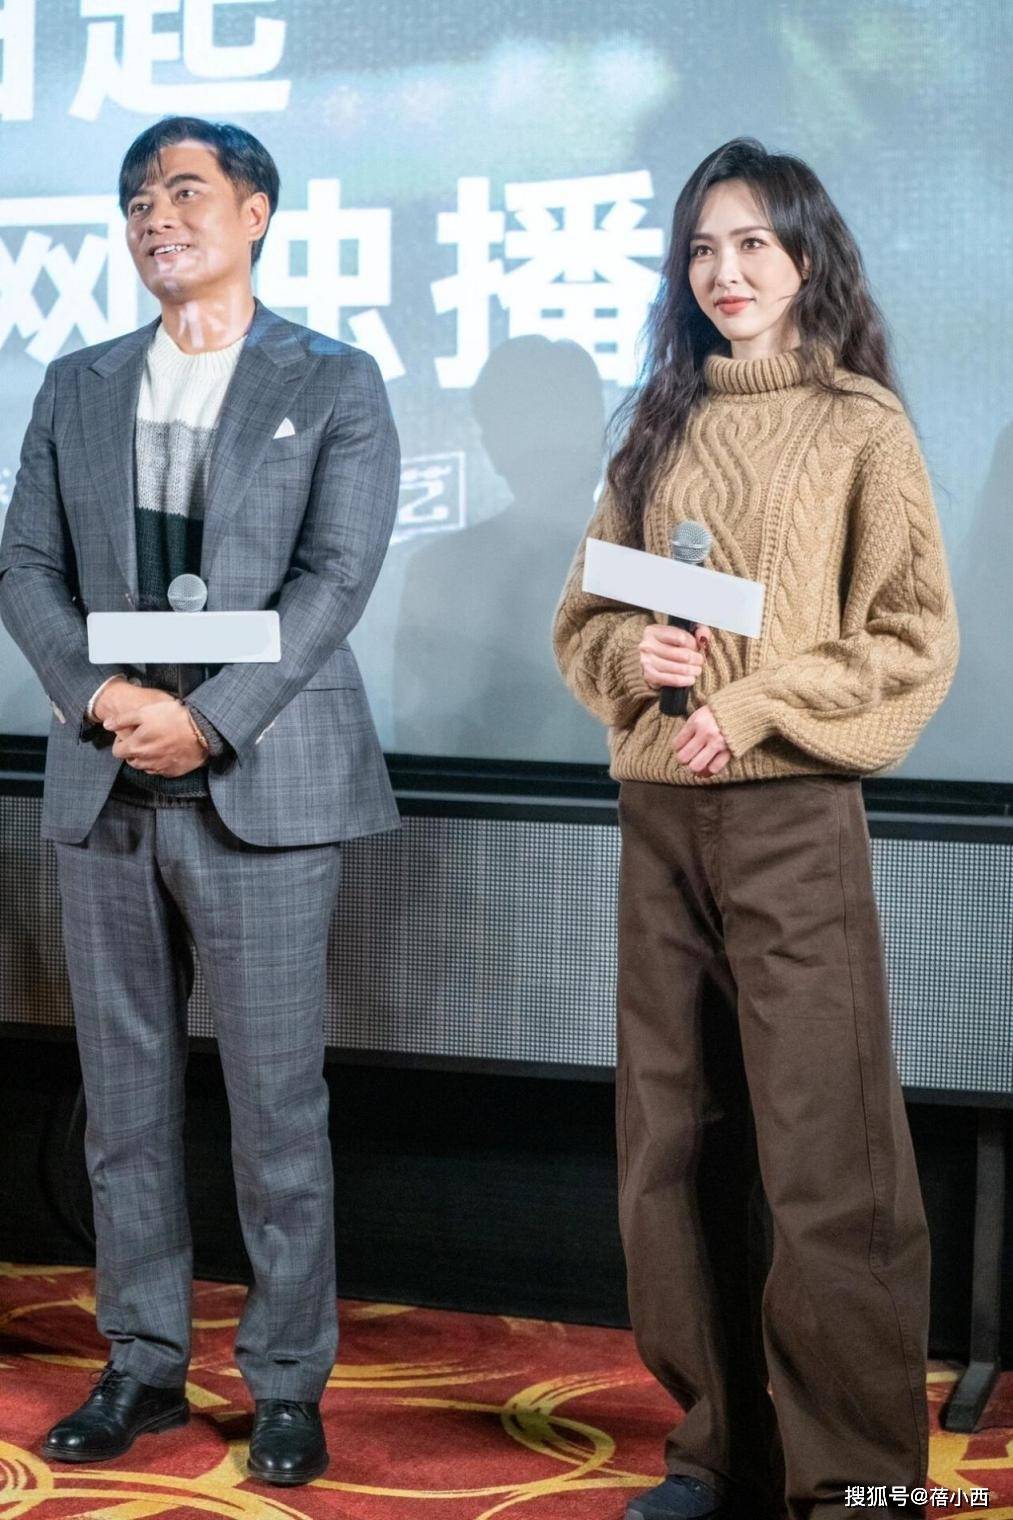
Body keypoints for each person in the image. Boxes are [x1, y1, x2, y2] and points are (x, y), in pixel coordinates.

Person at [553, 137, 960, 1520]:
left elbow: (911, 639)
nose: (723, 272)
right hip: (660, 817)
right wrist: (637, 660)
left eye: (751, 245)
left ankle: (852, 1477)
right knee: (670, 1147)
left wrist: (760, 703)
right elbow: (585, 619)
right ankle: (715, 1452)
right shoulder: (656, 426)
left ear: (805, 258)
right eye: (701, 249)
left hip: (789, 814)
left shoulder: (859, 425)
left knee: (824, 1156)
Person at [0, 116, 400, 1486]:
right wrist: (102, 696)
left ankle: (285, 1382)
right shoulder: (77, 383)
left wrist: (207, 718)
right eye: (136, 201)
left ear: (256, 212)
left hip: (259, 781)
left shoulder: (332, 380)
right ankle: (142, 1364)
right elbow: (25, 566)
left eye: (183, 191)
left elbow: (335, 578)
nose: (155, 217)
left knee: (277, 1108)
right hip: (105, 772)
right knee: (122, 1104)